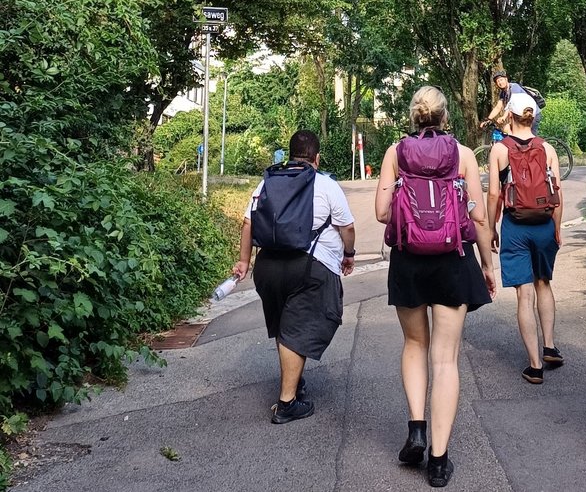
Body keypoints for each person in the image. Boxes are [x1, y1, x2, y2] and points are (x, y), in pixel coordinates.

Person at [375, 86, 497, 488]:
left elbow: (380, 213)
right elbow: (477, 217)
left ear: (414, 117)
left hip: (409, 262)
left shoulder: (396, 152)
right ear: (445, 118)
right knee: (445, 359)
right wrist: (486, 263)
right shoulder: (462, 155)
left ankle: (416, 430)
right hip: (452, 261)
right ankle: (440, 460)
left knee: (415, 346)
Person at [232, 130, 356, 424]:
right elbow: (347, 227)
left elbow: (248, 222)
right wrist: (349, 253)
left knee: (286, 326)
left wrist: (244, 261)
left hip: (268, 267)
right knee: (298, 328)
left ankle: (293, 380)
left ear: (289, 155)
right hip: (308, 266)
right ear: (316, 157)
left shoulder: (268, 181)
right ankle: (287, 402)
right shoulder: (325, 184)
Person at [485, 92, 565, 385]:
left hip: (515, 226)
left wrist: (492, 227)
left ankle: (534, 365)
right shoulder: (549, 149)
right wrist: (556, 228)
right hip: (544, 223)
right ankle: (550, 346)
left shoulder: (499, 150)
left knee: (524, 292)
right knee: (544, 282)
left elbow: (494, 193)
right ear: (532, 117)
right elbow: (557, 193)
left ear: (510, 115)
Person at [483, 70, 542, 134]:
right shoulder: (503, 93)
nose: (500, 82)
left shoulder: (514, 87)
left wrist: (504, 117)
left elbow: (511, 104)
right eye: (498, 81)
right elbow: (498, 107)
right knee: (509, 131)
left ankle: (538, 143)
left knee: (527, 135)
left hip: (533, 114)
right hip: (522, 114)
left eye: (501, 80)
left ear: (506, 79)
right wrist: (488, 119)